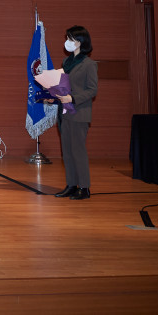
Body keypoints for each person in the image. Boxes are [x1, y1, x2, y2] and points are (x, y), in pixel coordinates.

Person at [48, 25, 98, 200]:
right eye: (67, 38)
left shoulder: (89, 64)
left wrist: (73, 98)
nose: (67, 42)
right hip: (64, 113)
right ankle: (71, 185)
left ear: (80, 42)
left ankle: (84, 187)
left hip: (79, 113)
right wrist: (51, 95)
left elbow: (92, 90)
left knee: (78, 151)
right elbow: (63, 86)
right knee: (67, 152)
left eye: (70, 39)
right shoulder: (66, 62)